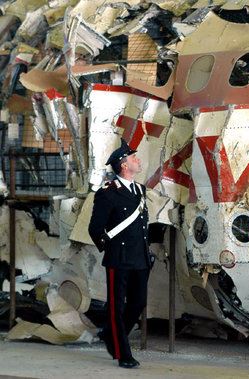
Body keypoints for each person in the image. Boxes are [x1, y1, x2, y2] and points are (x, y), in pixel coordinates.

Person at [88, 139, 151, 369]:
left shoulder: (140, 190)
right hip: (119, 258)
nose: (138, 160)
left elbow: (143, 224)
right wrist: (112, 249)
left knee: (139, 302)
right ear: (124, 165)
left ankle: (109, 334)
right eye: (134, 158)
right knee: (116, 307)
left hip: (140, 258)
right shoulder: (108, 193)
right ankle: (123, 352)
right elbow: (95, 228)